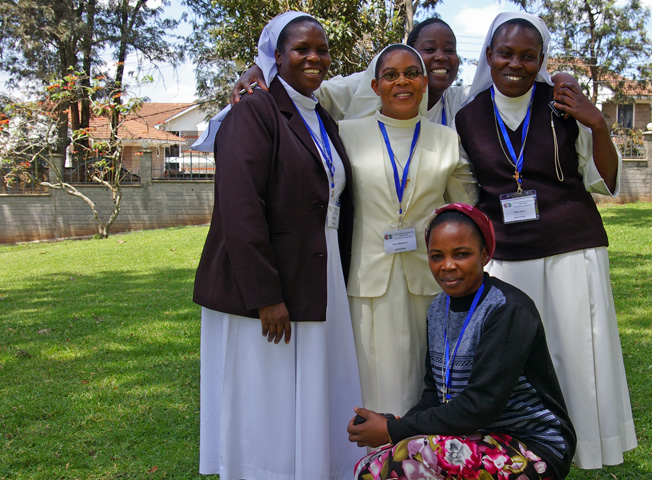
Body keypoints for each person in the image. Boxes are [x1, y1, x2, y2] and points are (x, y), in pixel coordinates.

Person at [453, 11, 636, 469]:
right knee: (512, 362)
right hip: (508, 259)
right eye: (506, 54)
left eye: (529, 56)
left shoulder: (562, 104)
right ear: (489, 56)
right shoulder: (467, 116)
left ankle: (586, 449)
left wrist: (598, 124)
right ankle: (523, 453)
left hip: (572, 250)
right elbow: (469, 194)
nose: (516, 64)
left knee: (577, 353)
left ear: (541, 60)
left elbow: (605, 182)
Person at [192, 11, 363, 480]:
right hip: (267, 278)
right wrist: (266, 295)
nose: (314, 57)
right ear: (276, 56)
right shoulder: (253, 111)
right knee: (265, 392)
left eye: (322, 49)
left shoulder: (319, 114)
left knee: (307, 386)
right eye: (301, 48)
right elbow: (240, 207)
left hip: (318, 267)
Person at [348, 203, 576, 480]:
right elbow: (434, 392)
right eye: (436, 256)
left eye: (461, 254)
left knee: (404, 460)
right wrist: (398, 424)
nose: (447, 266)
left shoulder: (507, 309)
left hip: (533, 448)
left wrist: (394, 431)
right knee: (369, 466)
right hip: (473, 436)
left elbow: (481, 405)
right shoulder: (437, 308)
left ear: (484, 254)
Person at [337, 44, 478, 417]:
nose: (403, 81)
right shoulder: (346, 135)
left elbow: (468, 207)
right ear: (375, 85)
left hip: (428, 282)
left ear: (425, 82)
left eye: (412, 73)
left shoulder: (447, 140)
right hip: (367, 282)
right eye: (391, 75)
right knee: (369, 381)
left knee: (424, 380)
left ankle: (416, 460)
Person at [225, 17, 573, 125]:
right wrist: (264, 64)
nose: (441, 58)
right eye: (429, 49)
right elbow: (303, 87)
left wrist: (561, 77)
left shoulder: (461, 102)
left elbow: (513, 79)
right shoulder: (360, 88)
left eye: (449, 51)